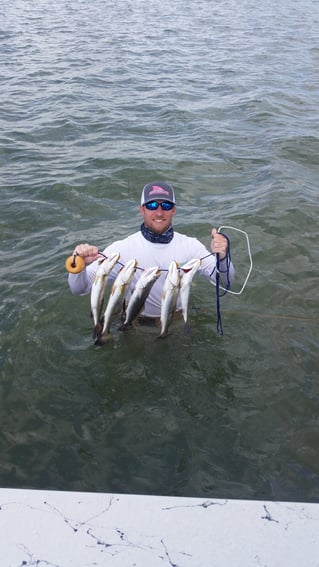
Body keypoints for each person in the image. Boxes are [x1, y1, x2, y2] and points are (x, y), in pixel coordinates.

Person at [68, 181, 234, 320]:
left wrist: (223, 257)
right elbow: (79, 289)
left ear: (174, 210)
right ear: (142, 209)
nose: (159, 212)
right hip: (135, 323)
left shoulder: (192, 246)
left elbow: (225, 282)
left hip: (176, 321)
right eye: (152, 205)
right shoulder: (122, 249)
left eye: (166, 205)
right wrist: (78, 267)